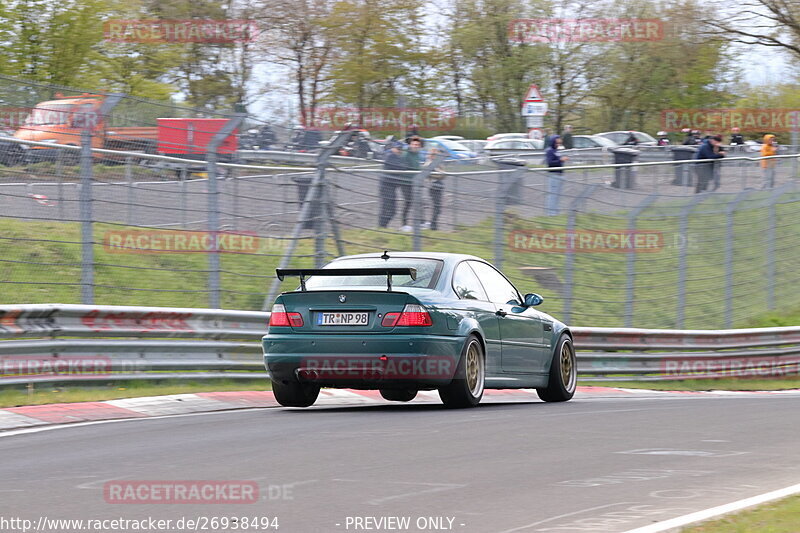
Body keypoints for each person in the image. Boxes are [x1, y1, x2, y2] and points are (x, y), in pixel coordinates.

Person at [545, 135, 567, 215]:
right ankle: (551, 213)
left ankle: (556, 212)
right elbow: (550, 163)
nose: (558, 144)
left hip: (559, 175)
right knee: (553, 195)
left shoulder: (556, 151)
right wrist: (560, 160)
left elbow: (557, 160)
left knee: (557, 195)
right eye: (557, 143)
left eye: (559, 143)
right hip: (554, 175)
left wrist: (561, 160)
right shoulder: (549, 151)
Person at [423, 147, 445, 230]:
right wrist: (440, 174)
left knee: (438, 207)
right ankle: (433, 225)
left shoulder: (438, 164)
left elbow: (443, 174)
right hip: (433, 185)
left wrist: (440, 174)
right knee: (437, 206)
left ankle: (434, 224)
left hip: (438, 184)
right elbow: (438, 174)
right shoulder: (429, 164)